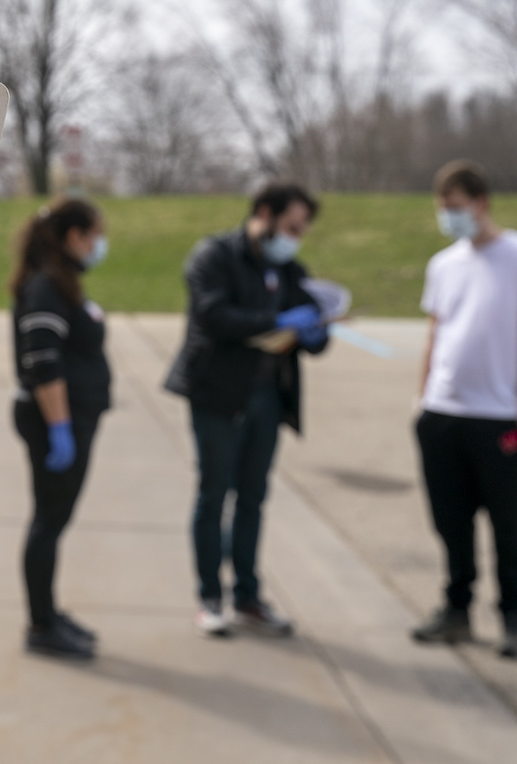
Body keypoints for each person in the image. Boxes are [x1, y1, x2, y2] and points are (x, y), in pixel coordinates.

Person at [164, 184, 330, 638]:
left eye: (302, 232)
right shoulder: (214, 256)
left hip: (267, 397)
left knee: (253, 497)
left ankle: (249, 595)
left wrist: (317, 331)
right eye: (291, 227)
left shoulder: (290, 269)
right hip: (218, 394)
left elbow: (312, 316)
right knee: (214, 493)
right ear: (264, 213)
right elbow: (213, 314)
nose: (295, 239)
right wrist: (275, 322)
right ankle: (209, 596)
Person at [411, 161, 517, 659]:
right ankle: (456, 609)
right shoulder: (443, 264)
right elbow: (437, 334)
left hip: (497, 415)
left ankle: (514, 615)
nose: (449, 217)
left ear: (481, 204)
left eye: (455, 208)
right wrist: (422, 397)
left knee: (506, 521)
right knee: (450, 521)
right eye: (443, 209)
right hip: (442, 412)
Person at [11, 197, 111, 659]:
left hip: (70, 418)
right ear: (75, 236)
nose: (99, 243)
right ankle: (41, 624)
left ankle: (48, 612)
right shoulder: (47, 285)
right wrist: (61, 428)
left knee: (54, 521)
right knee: (48, 522)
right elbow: (42, 362)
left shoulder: (62, 282)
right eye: (95, 234)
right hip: (54, 421)